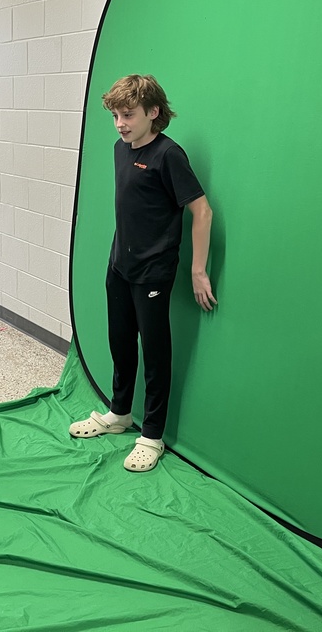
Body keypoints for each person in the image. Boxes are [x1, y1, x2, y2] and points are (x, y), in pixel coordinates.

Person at [69, 74, 216, 472]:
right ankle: (119, 414)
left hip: (153, 271)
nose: (120, 123)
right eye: (115, 115)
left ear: (153, 112)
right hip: (120, 264)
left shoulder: (169, 155)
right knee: (120, 341)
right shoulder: (121, 149)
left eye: (129, 114)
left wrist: (197, 271)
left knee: (154, 352)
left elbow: (202, 211)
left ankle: (151, 435)